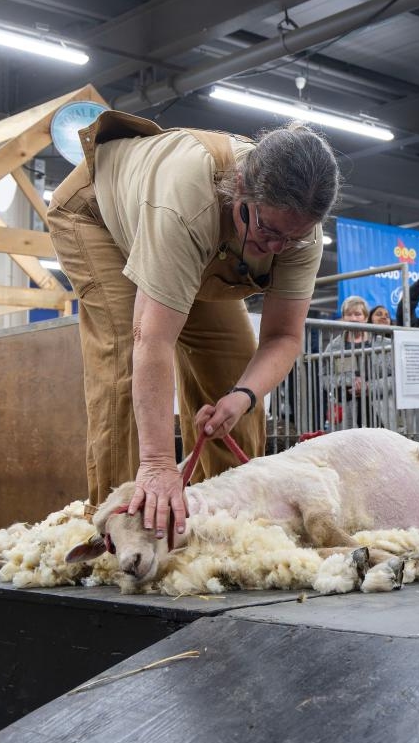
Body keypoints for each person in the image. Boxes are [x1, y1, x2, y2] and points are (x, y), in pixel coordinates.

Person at [47, 110, 339, 537]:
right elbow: (153, 339)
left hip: (202, 240)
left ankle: (227, 519)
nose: (277, 248)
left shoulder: (297, 231)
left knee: (234, 368)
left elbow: (283, 337)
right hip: (98, 218)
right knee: (125, 357)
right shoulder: (188, 200)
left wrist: (242, 397)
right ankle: (121, 525)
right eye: (268, 229)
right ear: (242, 187)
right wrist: (159, 464)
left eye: (291, 239)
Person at [322, 296, 375, 430]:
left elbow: (394, 378)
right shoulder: (333, 347)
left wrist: (369, 386)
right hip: (346, 411)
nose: (353, 319)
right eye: (349, 314)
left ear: (366, 318)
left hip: (378, 409)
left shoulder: (382, 343)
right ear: (343, 318)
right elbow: (324, 378)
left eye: (357, 314)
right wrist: (349, 381)